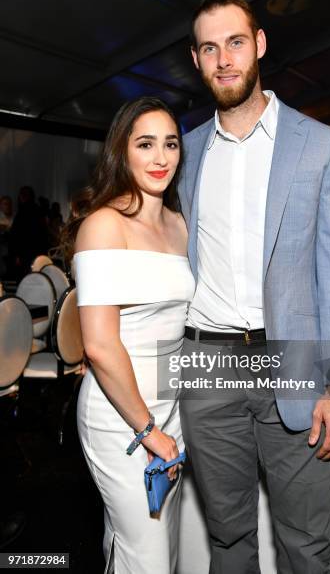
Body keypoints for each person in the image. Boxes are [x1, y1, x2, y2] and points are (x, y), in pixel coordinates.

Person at [177, 0, 330, 574]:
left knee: (304, 545)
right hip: (206, 366)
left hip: (293, 362)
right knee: (228, 543)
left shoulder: (322, 145)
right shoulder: (185, 151)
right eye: (210, 48)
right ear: (196, 60)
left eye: (235, 42)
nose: (224, 59)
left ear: (259, 44)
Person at [64, 97, 195, 574]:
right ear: (123, 151)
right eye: (146, 144)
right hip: (122, 418)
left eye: (171, 144)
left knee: (154, 550)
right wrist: (148, 431)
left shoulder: (180, 225)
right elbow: (98, 344)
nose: (160, 158)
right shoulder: (103, 225)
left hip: (170, 408)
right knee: (150, 557)